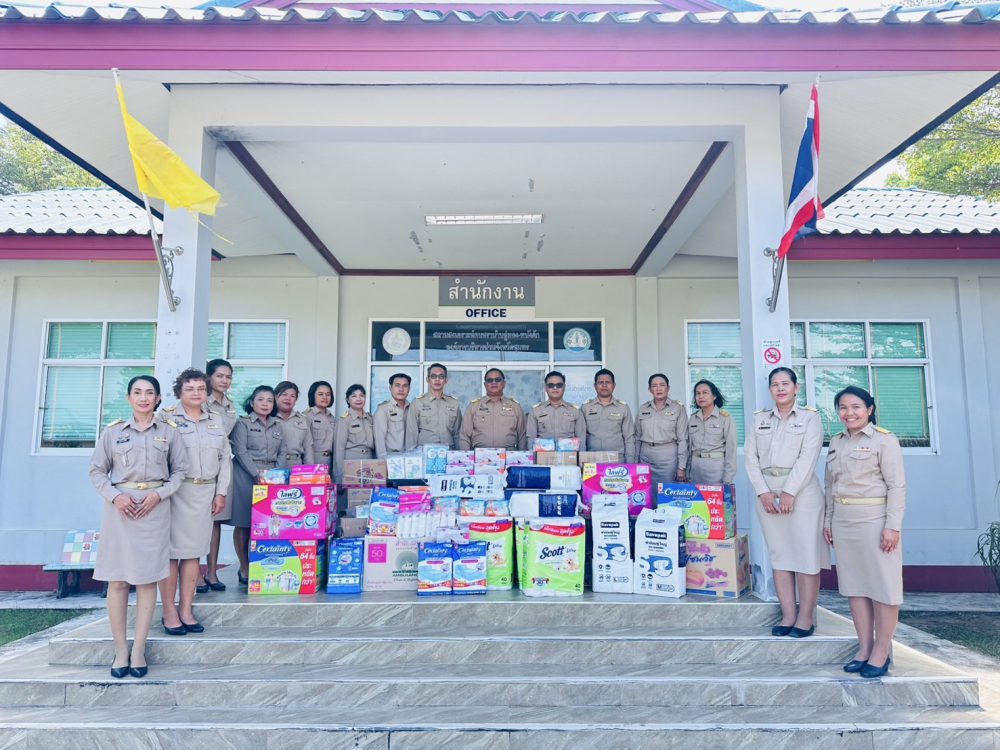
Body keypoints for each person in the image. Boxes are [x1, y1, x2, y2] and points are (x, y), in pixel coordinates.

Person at [89, 375, 188, 679]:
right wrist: (116, 497)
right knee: (118, 580)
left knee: (146, 580)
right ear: (129, 398)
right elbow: (97, 471)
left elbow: (180, 471)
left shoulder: (169, 432)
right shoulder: (113, 432)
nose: (144, 398)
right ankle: (121, 649)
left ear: (158, 399)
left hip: (154, 510)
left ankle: (139, 649)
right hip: (120, 511)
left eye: (149, 393)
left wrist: (159, 494)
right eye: (137, 392)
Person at [823, 386, 906, 678]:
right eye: (843, 407)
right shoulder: (836, 442)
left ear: (869, 409)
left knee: (884, 588)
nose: (849, 413)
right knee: (854, 587)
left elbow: (897, 486)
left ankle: (881, 652)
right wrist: (828, 521)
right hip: (843, 521)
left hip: (875, 520)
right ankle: (864, 649)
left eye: (856, 407)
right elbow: (830, 486)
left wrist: (892, 525)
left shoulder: (884, 440)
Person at [745, 367, 830, 639]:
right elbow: (751, 458)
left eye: (785, 383)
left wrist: (790, 492)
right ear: (770, 389)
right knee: (780, 556)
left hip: (802, 495)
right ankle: (788, 615)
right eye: (775, 384)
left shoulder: (810, 418)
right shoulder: (759, 419)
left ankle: (806, 618)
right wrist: (763, 492)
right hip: (768, 494)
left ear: (796, 388)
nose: (780, 388)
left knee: (806, 557)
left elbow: (808, 457)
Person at [157, 369, 231, 636]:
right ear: (180, 392)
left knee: (193, 553)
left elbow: (225, 458)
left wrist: (221, 492)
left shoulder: (215, 419)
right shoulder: (166, 418)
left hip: (205, 494)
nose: (196, 393)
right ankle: (169, 612)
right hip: (176, 494)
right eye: (190, 389)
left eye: (201, 388)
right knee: (170, 554)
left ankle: (186, 610)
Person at [229, 386, 287, 586]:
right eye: (260, 399)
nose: (265, 404)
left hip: (272, 477)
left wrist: (276, 475)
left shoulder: (277, 425)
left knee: (269, 523)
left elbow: (283, 451)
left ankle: (263, 565)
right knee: (244, 522)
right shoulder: (243, 423)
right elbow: (240, 451)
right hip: (246, 475)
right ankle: (244, 567)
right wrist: (256, 474)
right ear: (252, 402)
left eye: (269, 400)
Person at [202, 358, 236, 593]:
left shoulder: (229, 405)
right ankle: (194, 574)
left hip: (222, 466)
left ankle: (212, 572)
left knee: (216, 521)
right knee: (196, 523)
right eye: (220, 376)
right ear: (209, 377)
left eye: (228, 377)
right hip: (202, 465)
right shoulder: (202, 402)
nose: (224, 380)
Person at [636, 374, 689, 489]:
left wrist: (681, 467)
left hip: (668, 459)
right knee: (645, 492)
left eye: (662, 385)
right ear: (650, 389)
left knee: (666, 492)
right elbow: (637, 438)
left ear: (668, 388)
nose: (658, 388)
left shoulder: (678, 408)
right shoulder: (643, 408)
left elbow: (683, 439)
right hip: (645, 458)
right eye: (654, 386)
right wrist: (635, 463)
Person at [459, 368, 527, 450]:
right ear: (485, 385)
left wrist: (522, 455)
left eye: (497, 380)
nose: (493, 383)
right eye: (489, 380)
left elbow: (522, 436)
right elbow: (465, 435)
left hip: (509, 454)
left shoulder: (515, 406)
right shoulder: (473, 406)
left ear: (504, 383)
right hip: (480, 454)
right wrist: (466, 456)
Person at [686, 379, 737, 484]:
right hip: (695, 469)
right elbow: (689, 448)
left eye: (705, 392)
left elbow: (731, 450)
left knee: (715, 495)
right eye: (697, 393)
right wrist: (687, 471)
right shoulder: (693, 418)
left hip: (716, 469)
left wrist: (728, 478)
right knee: (696, 495)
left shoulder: (725, 418)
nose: (701, 396)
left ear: (714, 396)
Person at [580, 368, 636, 463]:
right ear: (595, 386)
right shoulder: (585, 407)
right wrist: (582, 460)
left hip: (617, 460)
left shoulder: (623, 408)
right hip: (592, 460)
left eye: (608, 382)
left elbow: (629, 437)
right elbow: (581, 437)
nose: (604, 385)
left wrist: (630, 462)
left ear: (614, 385)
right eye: (600, 382)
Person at [408, 363, 461, 448]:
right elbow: (411, 434)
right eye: (433, 376)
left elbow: (457, 433)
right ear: (427, 379)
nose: (437, 379)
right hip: (424, 451)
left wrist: (459, 453)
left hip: (448, 451)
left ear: (446, 380)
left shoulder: (454, 403)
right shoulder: (417, 402)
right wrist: (412, 453)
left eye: (441, 376)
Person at [527, 370, 587, 444]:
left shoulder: (575, 411)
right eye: (551, 385)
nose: (555, 388)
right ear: (545, 388)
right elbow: (531, 440)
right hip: (543, 451)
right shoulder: (536, 411)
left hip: (569, 451)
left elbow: (581, 440)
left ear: (564, 387)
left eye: (559, 385)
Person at [334, 384, 376, 481]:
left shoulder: (370, 418)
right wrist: (339, 477)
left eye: (361, 395)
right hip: (351, 463)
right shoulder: (344, 420)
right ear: (348, 400)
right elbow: (339, 450)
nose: (358, 399)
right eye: (354, 396)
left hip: (369, 462)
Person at [373, 373, 416, 457]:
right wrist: (382, 460)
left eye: (405, 386)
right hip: (392, 458)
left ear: (409, 389)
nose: (401, 389)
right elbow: (379, 440)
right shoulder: (383, 410)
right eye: (397, 385)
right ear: (390, 388)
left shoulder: (413, 409)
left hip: (411, 458)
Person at [274, 381, 315, 467]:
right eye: (284, 394)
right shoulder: (268, 418)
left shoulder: (303, 419)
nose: (288, 398)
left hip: (296, 466)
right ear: (276, 396)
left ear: (296, 400)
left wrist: (310, 469)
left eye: (292, 396)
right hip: (274, 465)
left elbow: (308, 448)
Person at [302, 380, 337, 468]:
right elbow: (307, 445)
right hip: (315, 461)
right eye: (320, 394)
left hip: (330, 461)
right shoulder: (307, 416)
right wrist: (310, 467)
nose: (325, 397)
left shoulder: (332, 418)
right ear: (313, 396)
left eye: (328, 394)